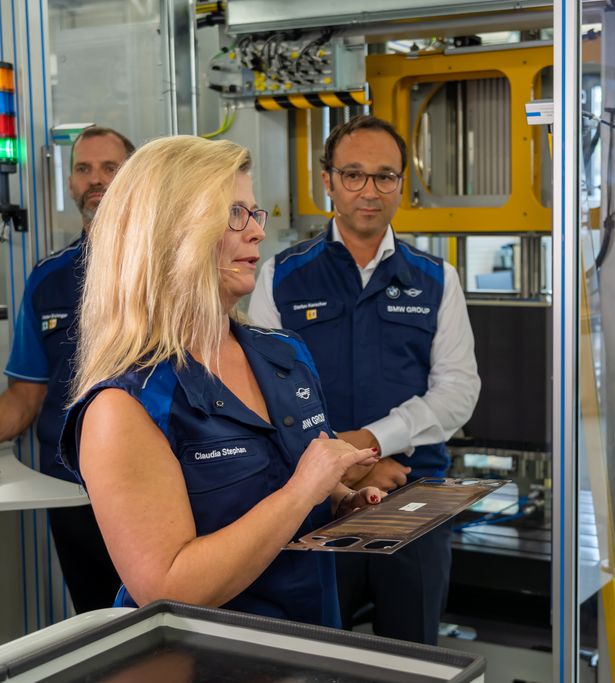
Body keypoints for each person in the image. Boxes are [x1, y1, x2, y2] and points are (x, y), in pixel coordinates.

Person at [57, 135, 385, 626]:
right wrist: (303, 491)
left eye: (255, 213)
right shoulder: (124, 406)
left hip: (311, 647)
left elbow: (288, 481)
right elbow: (166, 589)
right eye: (234, 213)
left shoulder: (285, 354)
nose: (255, 232)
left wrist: (340, 501)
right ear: (169, 231)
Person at [248, 115, 480, 644]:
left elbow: (458, 392)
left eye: (385, 176)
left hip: (414, 497)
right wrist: (342, 474)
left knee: (412, 656)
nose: (369, 191)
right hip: (312, 502)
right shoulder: (280, 277)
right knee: (318, 655)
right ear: (327, 180)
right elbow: (263, 396)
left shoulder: (436, 278)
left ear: (402, 184)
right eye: (353, 175)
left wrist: (370, 444)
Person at [0, 125, 134, 613]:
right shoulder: (48, 279)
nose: (95, 180)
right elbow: (24, 397)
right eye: (83, 169)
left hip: (159, 489)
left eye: (108, 168)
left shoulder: (168, 268)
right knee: (97, 627)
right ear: (72, 183)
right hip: (73, 492)